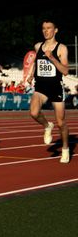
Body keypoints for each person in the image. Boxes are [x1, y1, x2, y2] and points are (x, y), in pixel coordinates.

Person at [26, 20, 70, 163]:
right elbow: (36, 62)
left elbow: (65, 71)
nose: (46, 31)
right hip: (41, 87)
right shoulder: (38, 46)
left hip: (55, 87)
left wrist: (52, 58)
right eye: (43, 28)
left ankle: (65, 149)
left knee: (61, 122)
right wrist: (32, 73)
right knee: (33, 112)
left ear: (55, 30)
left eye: (49, 28)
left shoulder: (61, 48)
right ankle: (46, 125)